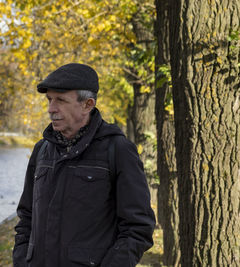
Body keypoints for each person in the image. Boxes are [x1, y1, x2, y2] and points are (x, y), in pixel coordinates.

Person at [12, 63, 155, 267]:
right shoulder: (42, 150)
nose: (51, 109)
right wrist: (21, 260)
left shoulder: (118, 150)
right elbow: (26, 217)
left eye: (60, 100)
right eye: (49, 100)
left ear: (87, 104)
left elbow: (138, 228)